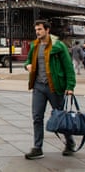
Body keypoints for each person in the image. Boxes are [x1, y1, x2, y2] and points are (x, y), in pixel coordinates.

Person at [24, 20, 76, 160]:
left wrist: (70, 86)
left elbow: (68, 67)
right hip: (38, 86)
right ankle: (37, 148)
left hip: (55, 86)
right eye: (36, 30)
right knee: (37, 117)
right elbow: (28, 61)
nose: (37, 32)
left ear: (47, 30)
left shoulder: (58, 46)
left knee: (60, 117)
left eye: (40, 29)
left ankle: (70, 143)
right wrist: (27, 66)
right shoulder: (34, 45)